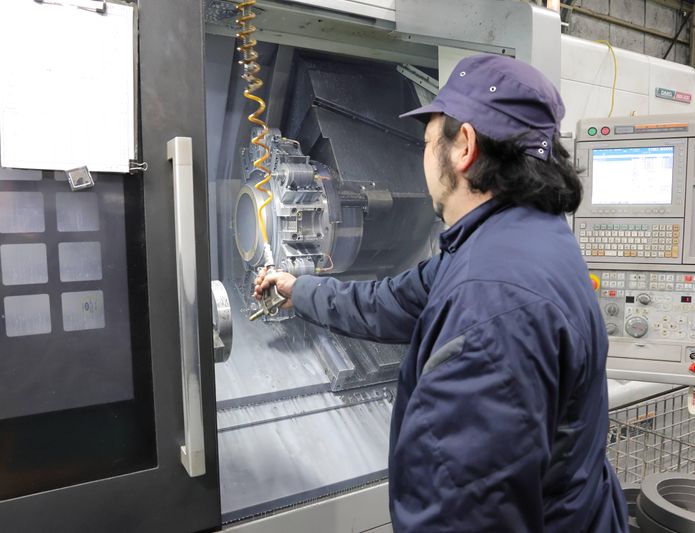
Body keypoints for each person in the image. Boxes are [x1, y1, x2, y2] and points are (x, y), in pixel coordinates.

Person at [254, 54, 628, 532]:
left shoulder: (491, 302)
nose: (424, 158)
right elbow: (391, 301)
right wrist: (300, 289)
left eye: (428, 142)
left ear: (464, 146)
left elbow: (463, 514)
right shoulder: (521, 240)